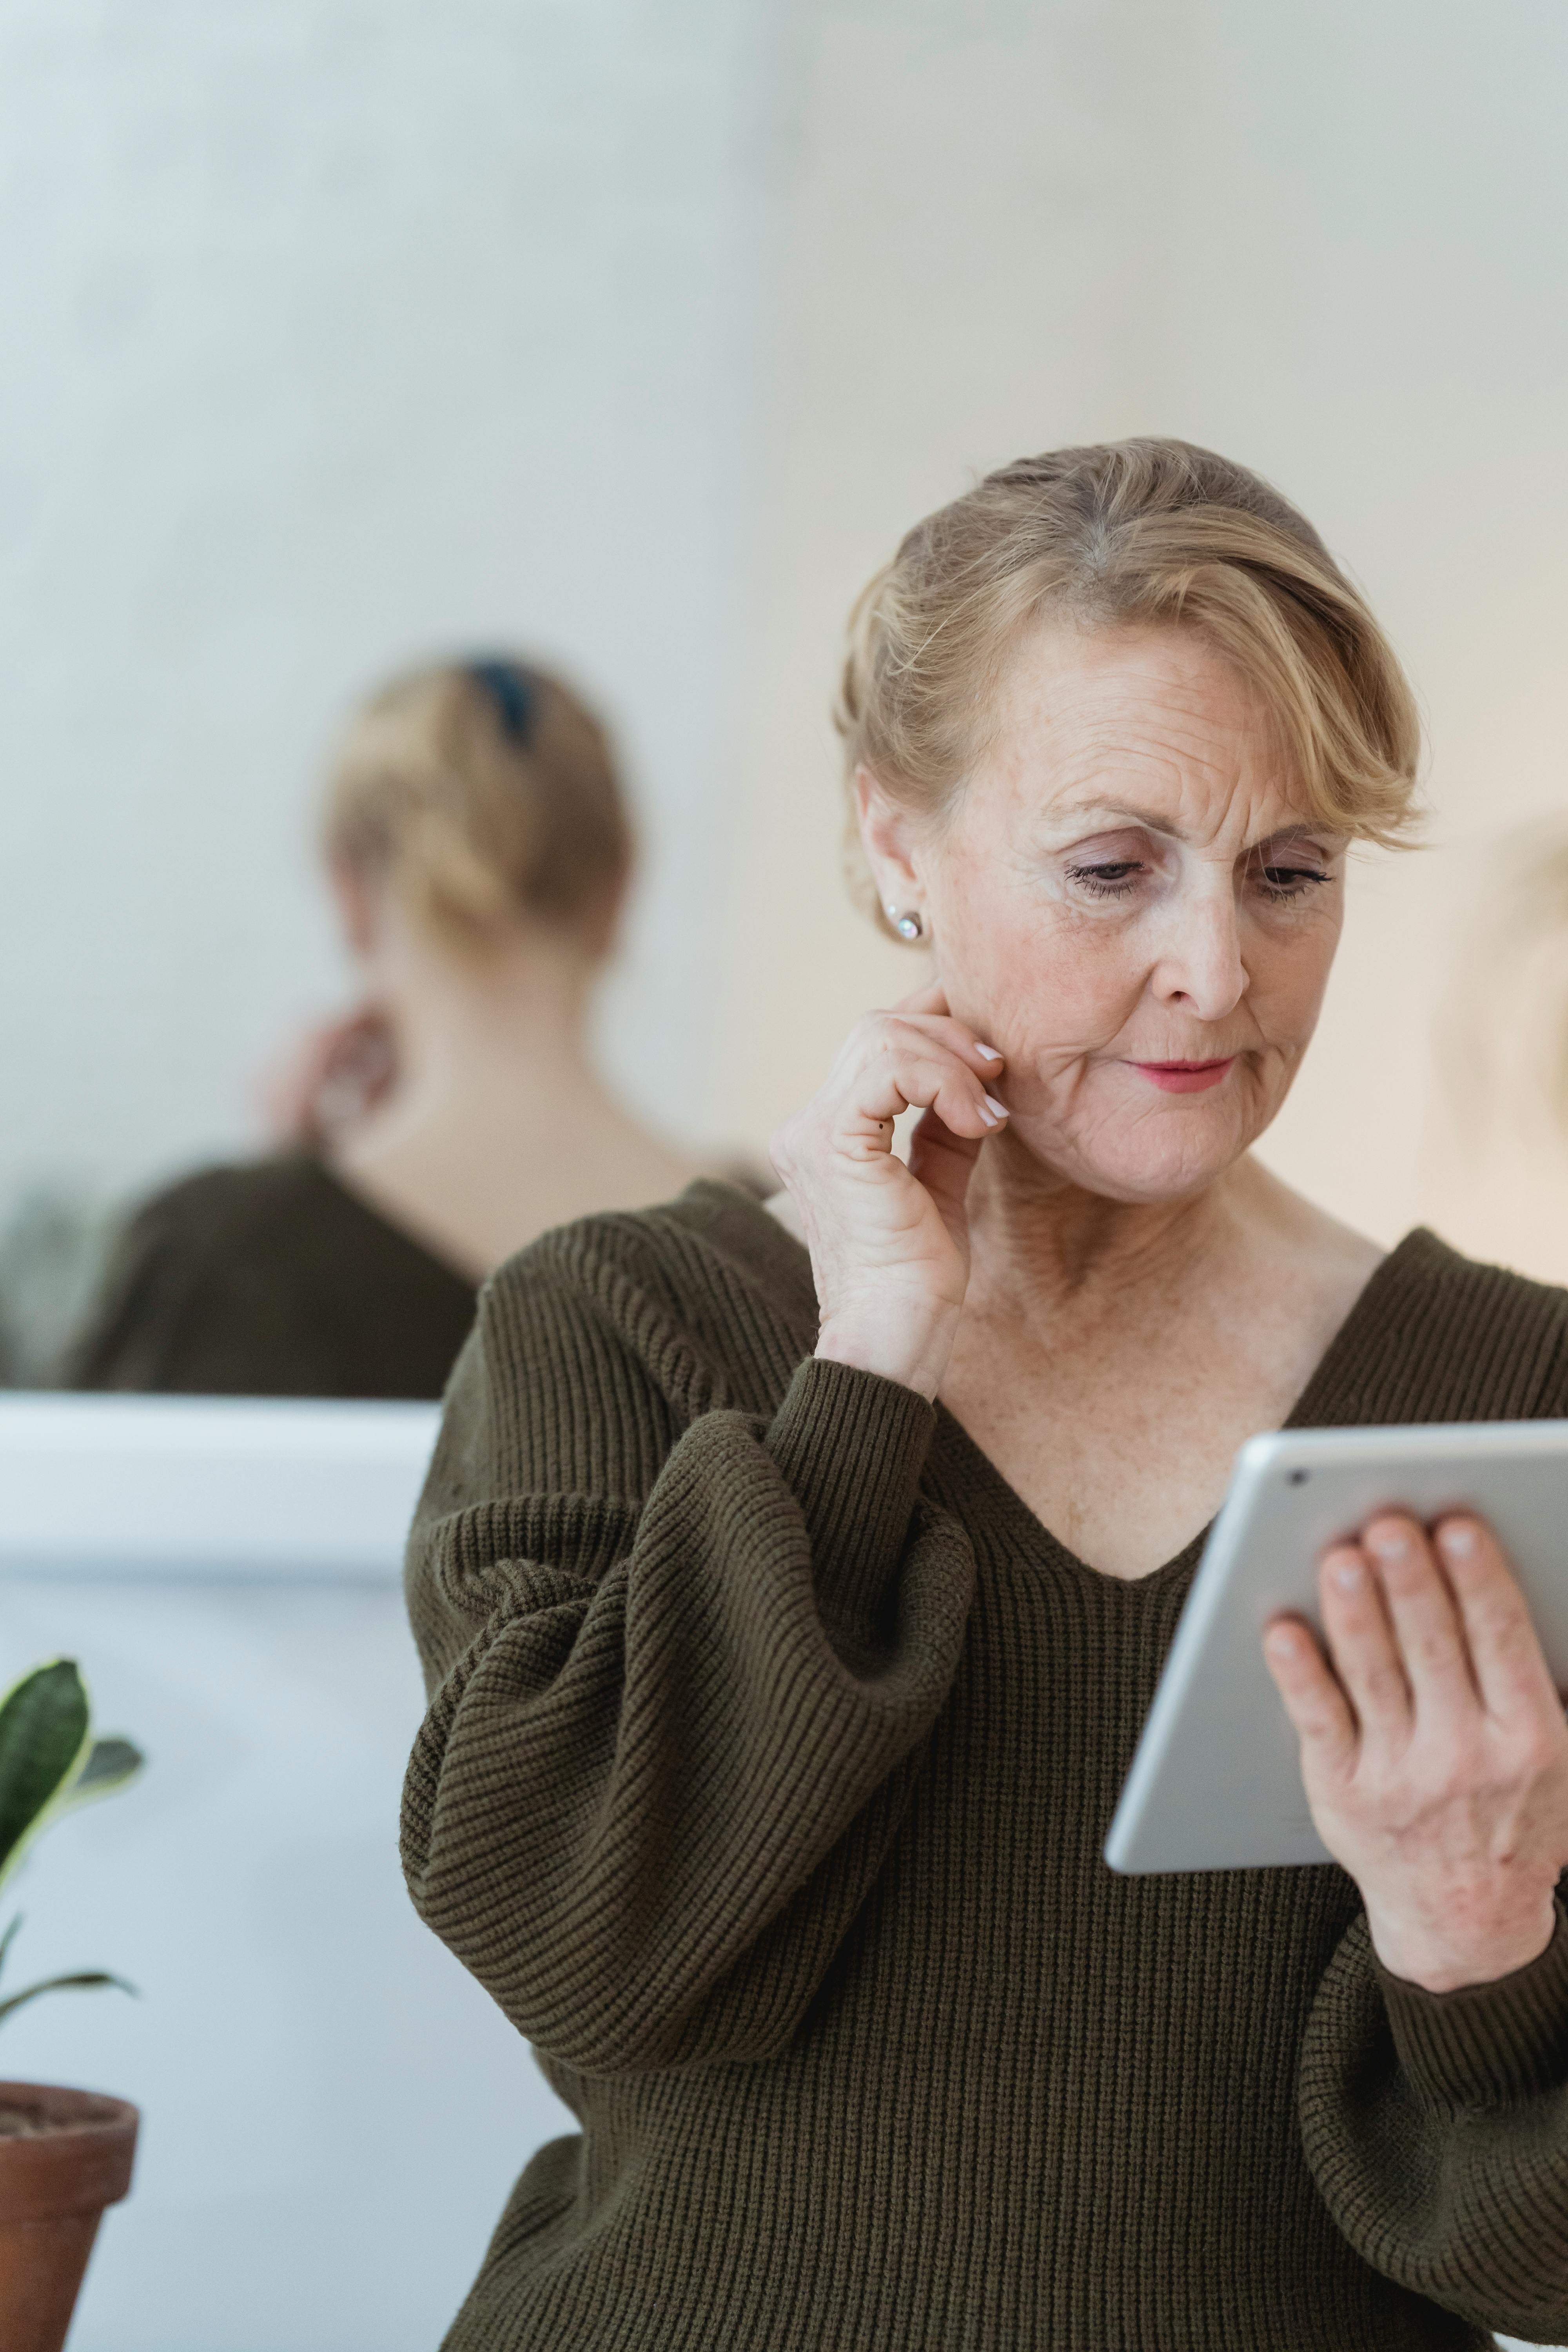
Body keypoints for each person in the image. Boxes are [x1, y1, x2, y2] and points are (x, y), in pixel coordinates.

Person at [400, 443, 1568, 2350]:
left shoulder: (1511, 1393)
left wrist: (1469, 1928)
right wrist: (865, 1354)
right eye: (1111, 867)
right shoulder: (619, 1324)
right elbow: (592, 1961)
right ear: (893, 842)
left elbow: (1539, 2262)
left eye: (1289, 873)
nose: (1213, 968)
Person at [71, 657, 712, 1397]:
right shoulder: (793, 1242)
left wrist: (278, 1200)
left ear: (348, 893)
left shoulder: (220, 1260)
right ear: (622, 886)